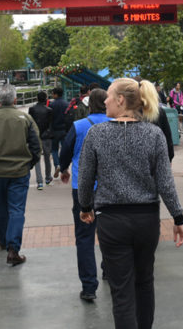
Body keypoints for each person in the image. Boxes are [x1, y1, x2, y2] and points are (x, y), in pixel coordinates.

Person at [77, 78, 183, 329]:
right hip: (146, 220)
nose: (104, 99)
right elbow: (165, 183)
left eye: (109, 95)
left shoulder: (97, 134)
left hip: (112, 222)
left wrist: (85, 207)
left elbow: (85, 179)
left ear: (120, 100)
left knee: (122, 291)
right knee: (145, 282)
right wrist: (178, 218)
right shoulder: (154, 134)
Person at [0, 84, 42, 266]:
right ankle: (14, 248)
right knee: (17, 209)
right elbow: (36, 147)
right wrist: (29, 164)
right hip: (19, 171)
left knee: (0, 207)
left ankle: (3, 239)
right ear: (15, 100)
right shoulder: (25, 119)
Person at [59, 88, 111, 301]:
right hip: (110, 188)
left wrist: (63, 169)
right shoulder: (114, 124)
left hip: (83, 188)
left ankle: (89, 286)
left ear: (89, 105)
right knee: (110, 233)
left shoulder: (79, 126)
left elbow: (66, 152)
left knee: (84, 236)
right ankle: (109, 270)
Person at [28, 91, 53, 190]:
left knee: (37, 158)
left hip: (35, 137)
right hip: (46, 137)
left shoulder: (32, 109)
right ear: (46, 98)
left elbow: (30, 124)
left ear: (37, 98)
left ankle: (39, 181)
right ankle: (48, 177)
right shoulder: (49, 110)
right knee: (47, 157)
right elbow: (51, 125)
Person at [49, 87, 69, 178]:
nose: (52, 95)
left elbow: (49, 119)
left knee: (54, 149)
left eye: (53, 93)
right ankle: (63, 167)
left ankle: (57, 165)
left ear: (56, 94)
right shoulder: (66, 104)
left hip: (54, 130)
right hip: (64, 130)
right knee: (64, 149)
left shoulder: (52, 105)